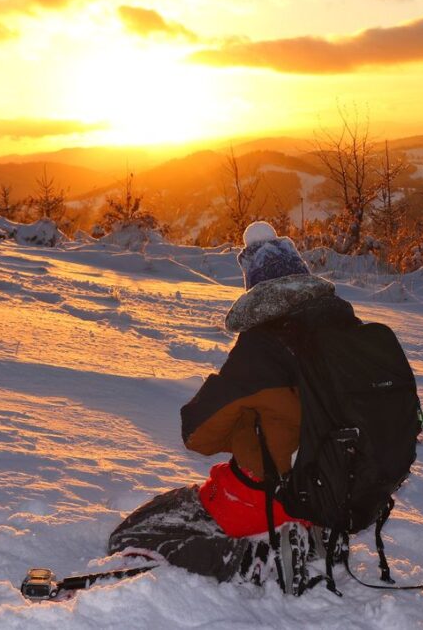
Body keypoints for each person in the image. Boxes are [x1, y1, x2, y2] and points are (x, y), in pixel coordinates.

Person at [108, 221, 358, 586]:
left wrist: (231, 399)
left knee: (131, 536)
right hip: (330, 500)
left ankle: (251, 559)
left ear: (256, 292)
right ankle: (313, 540)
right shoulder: (351, 339)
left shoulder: (261, 349)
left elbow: (198, 436)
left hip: (262, 501)